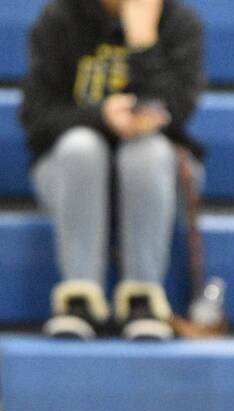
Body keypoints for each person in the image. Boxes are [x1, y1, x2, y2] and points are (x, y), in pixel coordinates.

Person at [19, 0, 205, 341]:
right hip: (72, 176)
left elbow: (175, 112)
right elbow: (36, 120)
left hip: (156, 176)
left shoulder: (179, 21)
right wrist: (100, 118)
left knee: (146, 152)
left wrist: (143, 40)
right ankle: (79, 298)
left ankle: (143, 298)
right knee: (81, 147)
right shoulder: (58, 18)